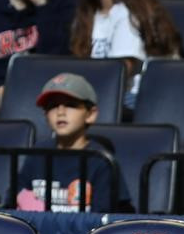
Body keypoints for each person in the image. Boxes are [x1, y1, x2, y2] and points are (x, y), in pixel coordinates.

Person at [71, 0, 183, 109]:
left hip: (137, 100)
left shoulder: (128, 13)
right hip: (106, 96)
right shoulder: (89, 14)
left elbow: (119, 73)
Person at [12, 73, 128, 213]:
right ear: (45, 115)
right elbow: (14, 200)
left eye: (70, 105)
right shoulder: (37, 153)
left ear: (90, 114)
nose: (60, 112)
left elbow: (103, 218)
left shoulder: (100, 160)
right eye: (53, 106)